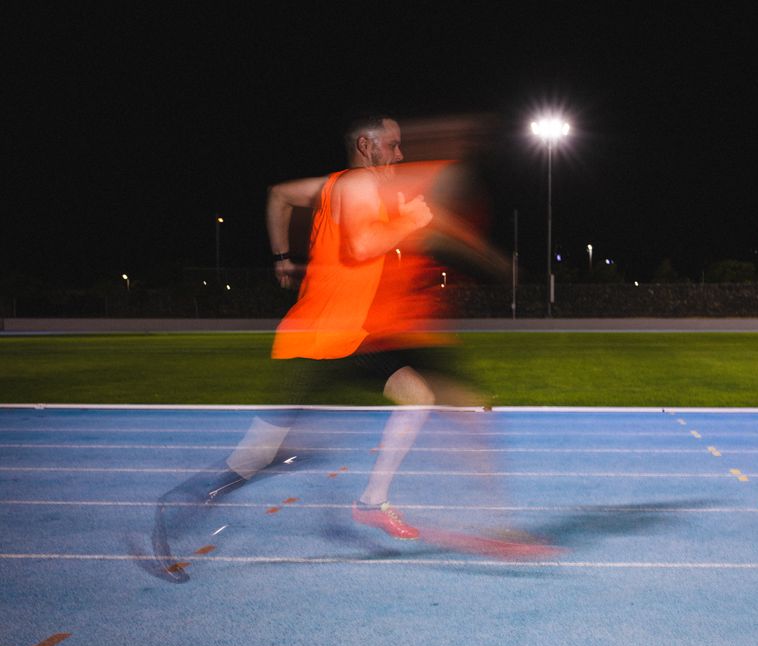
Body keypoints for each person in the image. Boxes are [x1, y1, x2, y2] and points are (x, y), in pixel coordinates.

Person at [144, 114, 534, 583]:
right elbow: (365, 242)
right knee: (252, 459)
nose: (400, 155)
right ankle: (179, 508)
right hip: (318, 340)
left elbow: (279, 195)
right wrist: (411, 217)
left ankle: (370, 502)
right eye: (392, 146)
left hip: (351, 338)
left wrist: (282, 259)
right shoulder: (357, 186)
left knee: (417, 397)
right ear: (366, 146)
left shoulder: (332, 185)